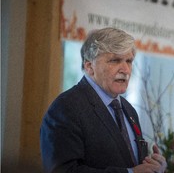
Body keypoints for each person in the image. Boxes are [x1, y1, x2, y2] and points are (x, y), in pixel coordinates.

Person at [40, 28, 167, 173]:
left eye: (129, 61)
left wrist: (154, 166)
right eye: (115, 60)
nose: (125, 69)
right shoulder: (65, 108)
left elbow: (131, 162)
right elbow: (62, 170)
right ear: (89, 67)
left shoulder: (128, 109)